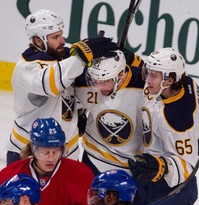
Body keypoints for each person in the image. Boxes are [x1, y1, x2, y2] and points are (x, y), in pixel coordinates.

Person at [6, 8, 118, 165]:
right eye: (55, 37)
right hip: (29, 150)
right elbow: (50, 84)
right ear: (38, 41)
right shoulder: (28, 66)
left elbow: (76, 90)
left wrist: (78, 112)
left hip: (67, 152)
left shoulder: (64, 58)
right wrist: (82, 57)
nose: (62, 41)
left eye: (61, 34)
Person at [127, 47, 199, 205]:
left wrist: (160, 166)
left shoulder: (176, 119)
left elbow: (186, 168)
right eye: (148, 72)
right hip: (147, 185)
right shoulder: (184, 83)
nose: (147, 80)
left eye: (153, 76)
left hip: (172, 194)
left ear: (170, 80)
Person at [0, 117, 96, 205]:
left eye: (56, 151)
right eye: (45, 152)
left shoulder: (80, 174)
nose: (51, 158)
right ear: (33, 149)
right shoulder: (9, 176)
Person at [74, 50, 145, 175]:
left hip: (130, 166)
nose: (100, 87)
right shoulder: (84, 80)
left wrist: (137, 61)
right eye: (96, 81)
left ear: (120, 75)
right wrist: (78, 113)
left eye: (105, 81)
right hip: (92, 157)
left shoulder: (143, 86)